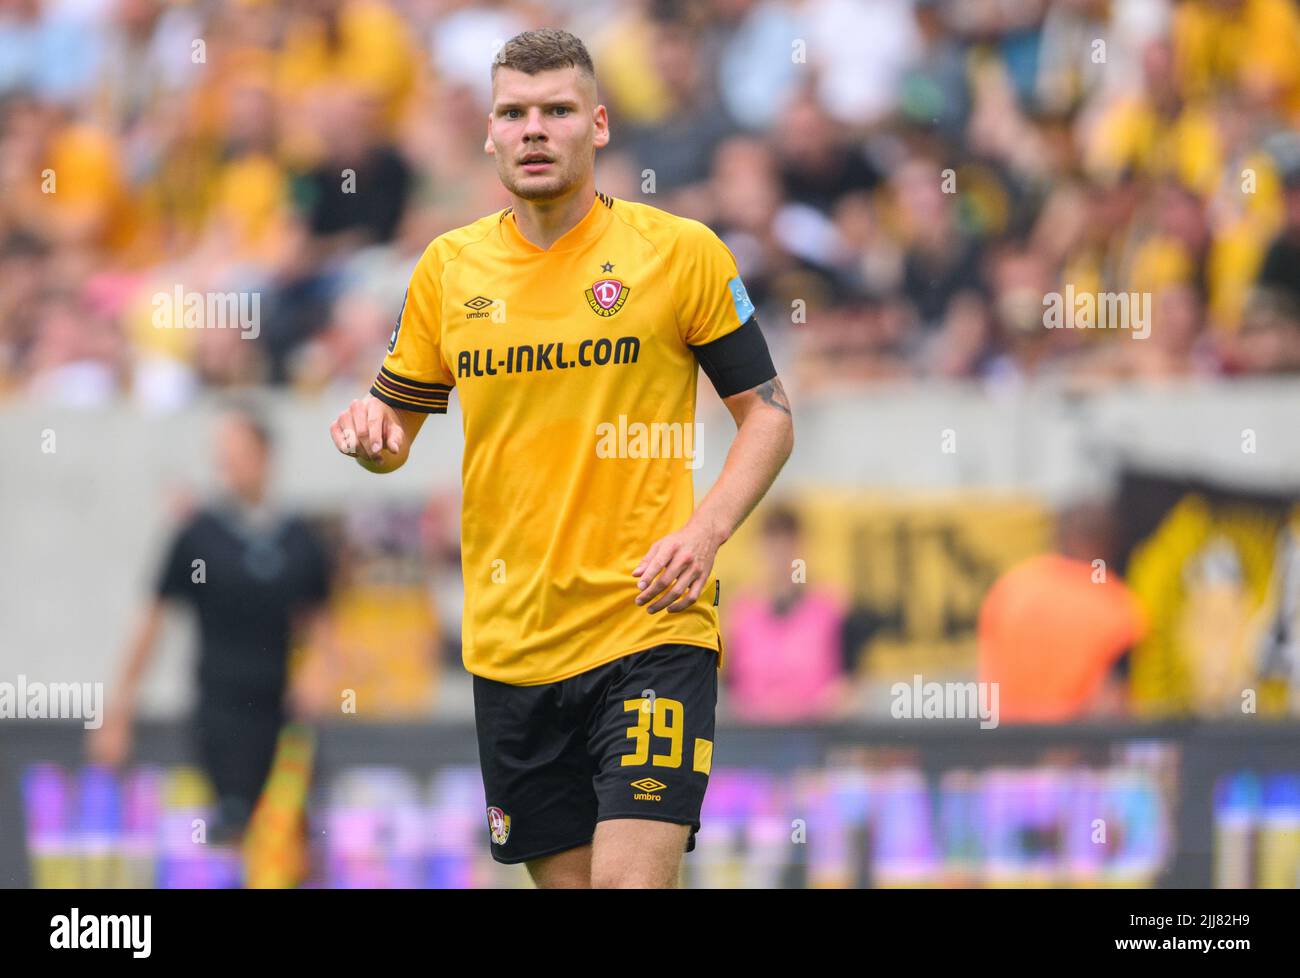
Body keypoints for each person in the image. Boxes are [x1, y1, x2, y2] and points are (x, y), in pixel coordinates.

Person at [329, 28, 794, 889]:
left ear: (600, 126)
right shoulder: (447, 270)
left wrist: (704, 533)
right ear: (490, 133)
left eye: (556, 111)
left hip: (650, 626)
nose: (534, 129)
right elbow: (394, 434)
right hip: (514, 648)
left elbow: (767, 416)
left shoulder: (679, 253)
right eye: (514, 112)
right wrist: (370, 437)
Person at [90, 407, 335, 846]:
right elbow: (152, 620)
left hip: (286, 716)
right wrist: (120, 711)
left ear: (265, 455)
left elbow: (320, 622)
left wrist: (320, 674)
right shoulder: (199, 536)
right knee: (232, 830)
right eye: (221, 455)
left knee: (291, 839)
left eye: (237, 453)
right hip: (221, 711)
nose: (226, 465)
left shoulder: (300, 539)